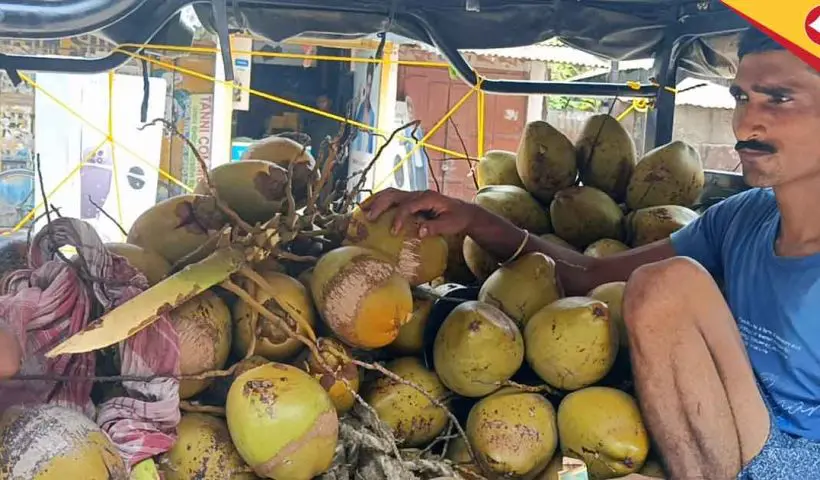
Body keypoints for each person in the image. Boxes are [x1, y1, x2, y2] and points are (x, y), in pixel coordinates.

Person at [362, 26, 820, 480]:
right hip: (718, 446)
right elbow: (588, 277)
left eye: (778, 99)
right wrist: (475, 220)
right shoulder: (741, 220)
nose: (745, 124)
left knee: (669, 283)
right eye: (741, 97)